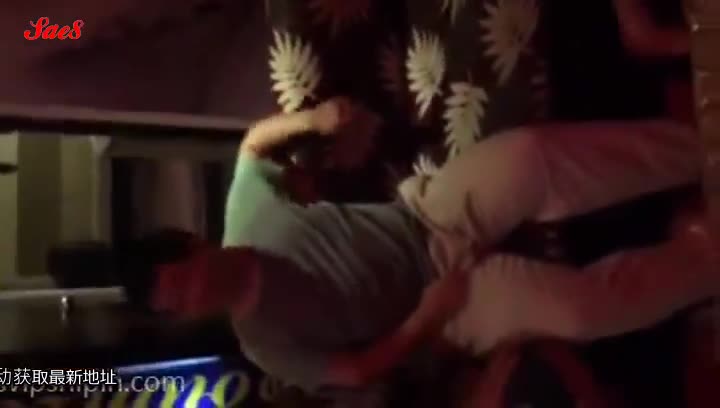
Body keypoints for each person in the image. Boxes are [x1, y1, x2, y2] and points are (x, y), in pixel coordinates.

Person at [117, 96, 717, 395]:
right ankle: (707, 258)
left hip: (427, 214)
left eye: (184, 280)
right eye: (181, 304)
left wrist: (313, 120)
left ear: (192, 244)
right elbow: (355, 371)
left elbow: (252, 144)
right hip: (445, 309)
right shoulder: (264, 346)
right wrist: (428, 317)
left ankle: (704, 150)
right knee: (578, 312)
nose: (195, 296)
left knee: (531, 155)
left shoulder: (246, 211)